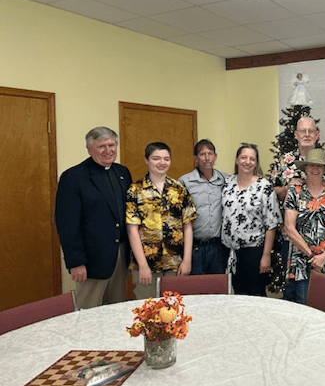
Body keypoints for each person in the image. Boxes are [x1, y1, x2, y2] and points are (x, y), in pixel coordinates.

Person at [55, 126, 132, 309]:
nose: (108, 150)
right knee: (89, 313)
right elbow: (67, 225)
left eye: (112, 145)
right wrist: (76, 263)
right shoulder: (73, 177)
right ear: (89, 149)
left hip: (120, 256)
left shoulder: (123, 173)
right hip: (91, 261)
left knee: (116, 310)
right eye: (101, 146)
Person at [270, 116, 325, 290]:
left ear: (317, 135)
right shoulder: (284, 161)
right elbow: (272, 191)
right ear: (296, 134)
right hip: (294, 240)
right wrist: (287, 188)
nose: (306, 134)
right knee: (296, 292)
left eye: (310, 131)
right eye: (302, 131)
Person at [126, 142, 197, 299]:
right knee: (147, 308)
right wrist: (143, 265)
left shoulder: (179, 188)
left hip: (175, 263)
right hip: (146, 264)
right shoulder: (135, 190)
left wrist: (187, 260)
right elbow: (132, 230)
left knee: (173, 307)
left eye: (166, 159)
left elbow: (188, 225)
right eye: (156, 158)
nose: (162, 162)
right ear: (146, 160)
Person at [283, 149, 325, 303]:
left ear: (324, 169)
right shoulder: (295, 191)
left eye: (319, 166)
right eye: (311, 165)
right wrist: (312, 256)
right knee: (304, 307)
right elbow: (289, 228)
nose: (315, 169)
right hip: (303, 261)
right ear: (305, 168)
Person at [222, 143, 282, 296]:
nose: (247, 162)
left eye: (252, 159)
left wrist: (266, 256)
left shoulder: (264, 187)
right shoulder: (227, 183)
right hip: (229, 252)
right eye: (243, 157)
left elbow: (271, 224)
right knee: (235, 296)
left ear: (256, 163)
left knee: (255, 297)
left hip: (254, 252)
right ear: (237, 160)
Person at [179, 139, 229, 275]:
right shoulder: (185, 181)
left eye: (210, 154)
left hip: (218, 247)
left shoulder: (225, 179)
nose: (207, 158)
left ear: (215, 156)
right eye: (202, 154)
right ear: (196, 158)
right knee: (196, 286)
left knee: (217, 286)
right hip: (195, 247)